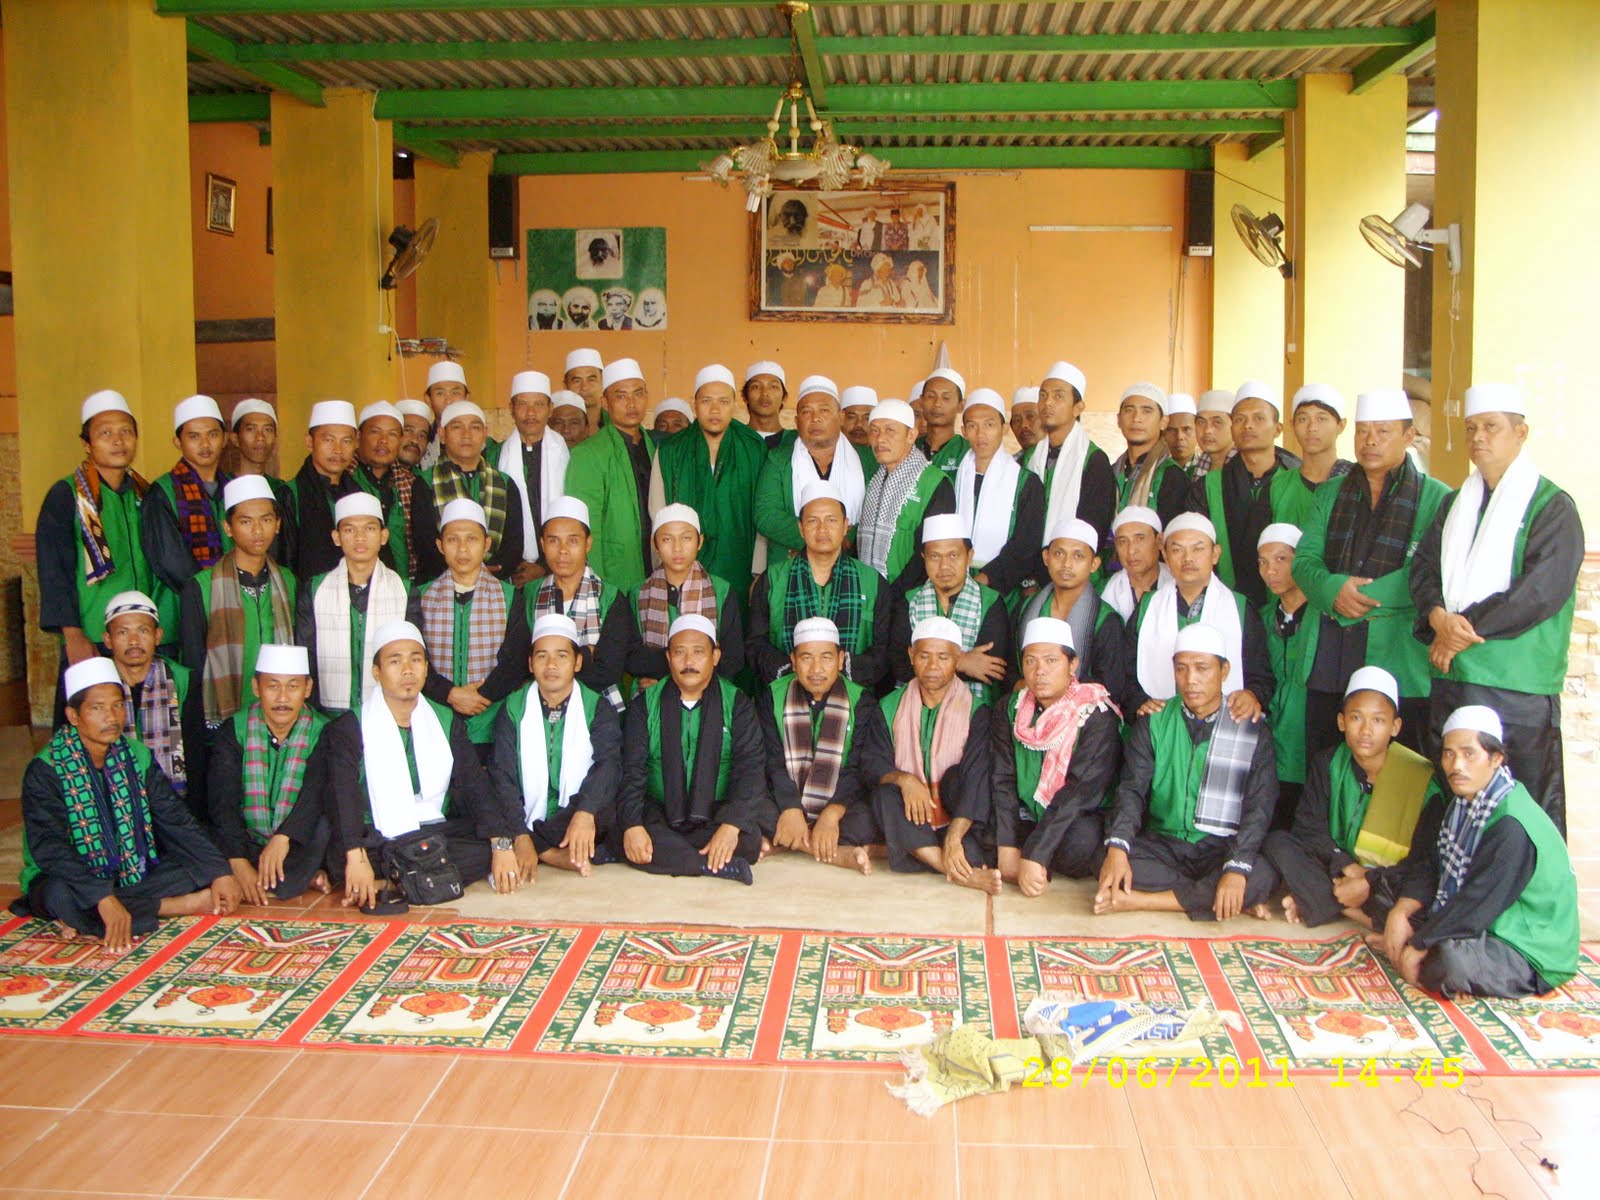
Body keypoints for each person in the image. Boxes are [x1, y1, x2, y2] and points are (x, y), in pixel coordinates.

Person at [1409, 383, 1584, 837]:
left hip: (1517, 688)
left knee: (1521, 809)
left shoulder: (1551, 506)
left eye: (1491, 427)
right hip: (1455, 681)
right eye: (1471, 428)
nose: (1478, 437)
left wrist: (1457, 631)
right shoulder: (1455, 504)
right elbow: (1423, 569)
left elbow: (1539, 593)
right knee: (1456, 802)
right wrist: (1437, 617)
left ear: (1520, 433)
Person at [14, 658, 240, 949]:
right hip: (68, 876)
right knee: (61, 895)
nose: (111, 717)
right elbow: (50, 848)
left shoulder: (136, 755)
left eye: (117, 705)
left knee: (196, 867)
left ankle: (88, 917)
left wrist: (219, 872)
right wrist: (100, 895)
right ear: (73, 715)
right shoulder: (46, 769)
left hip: (129, 870)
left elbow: (174, 818)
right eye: (97, 708)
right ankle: (170, 906)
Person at [1362, 706, 1578, 999]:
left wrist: (1419, 944)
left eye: (1469, 754)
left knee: (1449, 962)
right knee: (1387, 894)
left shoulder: (1511, 824)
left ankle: (1425, 950)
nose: (1457, 765)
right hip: (1481, 916)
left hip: (1523, 942)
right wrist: (1401, 913)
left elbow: (1478, 903)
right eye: (1449, 754)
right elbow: (1431, 865)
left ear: (1495, 758)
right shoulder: (1463, 802)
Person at [1294, 390, 1448, 761]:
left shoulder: (1436, 497)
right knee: (1326, 758)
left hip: (1398, 649)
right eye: (1363, 431)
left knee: (1400, 764)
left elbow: (1431, 571)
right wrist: (1333, 588)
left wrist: (1361, 596)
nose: (1370, 441)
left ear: (1408, 437)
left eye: (1383, 431)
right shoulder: (1331, 492)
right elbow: (1304, 561)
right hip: (1332, 648)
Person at [1095, 625, 1278, 921]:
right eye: (1181, 669)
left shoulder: (1252, 729)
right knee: (1105, 857)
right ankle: (1220, 899)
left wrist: (1235, 868)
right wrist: (1117, 847)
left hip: (1221, 847)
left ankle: (1142, 901)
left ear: (1224, 670)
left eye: (1202, 668)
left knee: (1262, 872)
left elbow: (1259, 806)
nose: (1190, 679)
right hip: (1164, 844)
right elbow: (1131, 790)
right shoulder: (1154, 721)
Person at [340, 622, 522, 911]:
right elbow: (344, 796)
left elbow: (475, 784)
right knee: (336, 850)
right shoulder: (350, 726)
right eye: (395, 661)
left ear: (426, 668)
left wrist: (501, 844)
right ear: (376, 672)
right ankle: (418, 875)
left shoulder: (446, 720)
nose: (407, 670)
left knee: (482, 849)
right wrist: (355, 855)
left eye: (415, 660)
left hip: (433, 829)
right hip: (376, 833)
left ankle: (393, 882)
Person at [1262, 666, 1438, 928]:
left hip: (1390, 882)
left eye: (1378, 720)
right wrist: (1349, 868)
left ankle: (1322, 901)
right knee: (1278, 842)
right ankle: (1349, 909)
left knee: (1420, 898)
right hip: (1340, 868)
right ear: (1341, 722)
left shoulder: (1420, 779)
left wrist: (1369, 881)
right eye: (1356, 718)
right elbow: (1309, 829)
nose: (1366, 730)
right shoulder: (1328, 763)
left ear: (1395, 727)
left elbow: (1423, 861)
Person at [617, 615, 766, 883]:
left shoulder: (737, 703)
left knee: (748, 838)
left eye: (698, 652)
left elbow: (751, 768)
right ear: (668, 657)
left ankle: (672, 857)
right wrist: (633, 825)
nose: (688, 662)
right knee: (623, 829)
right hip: (658, 811)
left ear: (715, 656)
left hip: (714, 812)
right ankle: (711, 865)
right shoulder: (644, 705)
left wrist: (730, 825)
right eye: (679, 653)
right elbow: (632, 770)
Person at [993, 618, 1123, 895]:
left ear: (1073, 664)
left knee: (1082, 842)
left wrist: (1035, 853)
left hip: (1072, 818)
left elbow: (1079, 792)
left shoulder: (1095, 715)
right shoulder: (1010, 707)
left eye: (1051, 661)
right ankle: (1024, 854)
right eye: (1030, 661)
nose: (1039, 671)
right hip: (1027, 815)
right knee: (977, 812)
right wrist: (1006, 845)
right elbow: (1002, 777)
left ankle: (1036, 859)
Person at [206, 644, 344, 904]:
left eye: (293, 686)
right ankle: (274, 875)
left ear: (308, 688)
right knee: (211, 836)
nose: (282, 698)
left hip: (296, 840)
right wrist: (238, 861)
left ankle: (283, 875)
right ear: (256, 688)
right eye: (272, 686)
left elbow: (314, 795)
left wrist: (283, 836)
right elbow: (223, 802)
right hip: (247, 840)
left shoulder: (325, 732)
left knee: (324, 822)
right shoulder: (233, 730)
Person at [488, 613, 621, 879]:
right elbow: (503, 774)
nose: (551, 665)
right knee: (487, 799)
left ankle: (539, 848)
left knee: (611, 803)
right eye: (542, 656)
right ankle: (548, 850)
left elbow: (608, 764)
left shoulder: (597, 706)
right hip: (525, 812)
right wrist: (519, 832)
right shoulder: (513, 707)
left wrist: (584, 812)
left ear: (577, 662)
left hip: (575, 812)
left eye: (561, 656)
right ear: (530, 663)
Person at [758, 617, 892, 873]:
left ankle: (785, 841)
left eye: (826, 658)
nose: (816, 668)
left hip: (840, 803)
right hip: (784, 798)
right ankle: (833, 852)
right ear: (793, 661)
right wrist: (790, 807)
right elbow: (771, 759)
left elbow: (859, 767)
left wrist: (832, 813)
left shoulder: (862, 701)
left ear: (841, 660)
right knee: (754, 808)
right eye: (806, 658)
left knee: (868, 818)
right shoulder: (772, 695)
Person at [875, 617, 998, 893]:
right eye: (924, 656)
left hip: (956, 819)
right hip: (910, 815)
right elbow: (873, 763)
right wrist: (905, 780)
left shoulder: (976, 711)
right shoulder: (888, 706)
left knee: (971, 844)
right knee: (886, 793)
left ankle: (914, 850)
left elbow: (977, 779)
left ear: (958, 659)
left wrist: (953, 838)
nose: (932, 667)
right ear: (911, 656)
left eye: (943, 657)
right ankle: (952, 870)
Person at [37, 391, 155, 676]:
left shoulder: (146, 495)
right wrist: (73, 634)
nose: (118, 440)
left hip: (140, 634)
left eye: (126, 431)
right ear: (86, 444)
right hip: (93, 633)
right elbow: (54, 570)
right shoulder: (67, 495)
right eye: (105, 433)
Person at [407, 499, 529, 751]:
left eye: (471, 539)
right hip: (437, 719)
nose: (462, 548)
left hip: (494, 720)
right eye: (453, 539)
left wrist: (479, 697)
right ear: (440, 545)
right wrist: (451, 694)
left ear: (486, 544)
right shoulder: (422, 596)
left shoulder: (509, 596)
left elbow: (516, 661)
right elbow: (414, 658)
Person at [1126, 513, 1273, 720]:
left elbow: (1260, 675)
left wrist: (1252, 695)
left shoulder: (1239, 608)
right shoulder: (1148, 607)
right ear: (1165, 556)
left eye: (1198, 548)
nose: (1188, 558)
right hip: (1160, 724)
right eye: (1177, 550)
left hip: (1223, 722)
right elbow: (1125, 671)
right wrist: (1139, 702)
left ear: (1215, 554)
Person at [748, 481, 893, 690]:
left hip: (855, 700)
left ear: (845, 526)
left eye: (831, 520)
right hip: (785, 697)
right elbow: (755, 645)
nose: (822, 529)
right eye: (812, 521)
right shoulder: (772, 580)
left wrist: (839, 669)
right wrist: (797, 669)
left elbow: (884, 651)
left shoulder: (872, 583)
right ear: (801, 528)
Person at [179, 476, 297, 732]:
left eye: (266, 520)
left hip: (280, 715)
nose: (258, 530)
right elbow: (195, 666)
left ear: (277, 524)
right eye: (246, 521)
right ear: (228, 527)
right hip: (225, 720)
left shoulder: (288, 581)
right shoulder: (201, 587)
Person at [652, 364, 768, 599]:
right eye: (706, 401)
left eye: (723, 401)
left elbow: (762, 512)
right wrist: (661, 568)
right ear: (694, 403)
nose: (715, 409)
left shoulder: (753, 448)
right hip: (681, 565)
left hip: (739, 564)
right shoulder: (670, 450)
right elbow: (657, 511)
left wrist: (759, 570)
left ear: (734, 404)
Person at [295, 493, 410, 718]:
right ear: (336, 537)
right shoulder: (315, 589)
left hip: (387, 712)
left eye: (369, 528)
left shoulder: (405, 591)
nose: (360, 537)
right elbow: (306, 655)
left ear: (384, 536)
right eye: (349, 529)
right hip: (327, 713)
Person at [1188, 381, 1299, 610]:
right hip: (1227, 606)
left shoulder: (1297, 483)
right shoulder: (1209, 486)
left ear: (1278, 429)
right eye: (1239, 419)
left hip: (1290, 606)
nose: (1248, 426)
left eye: (1258, 418)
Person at [100, 591, 203, 822]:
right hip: (113, 809)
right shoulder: (95, 685)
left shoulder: (182, 679)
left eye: (143, 631)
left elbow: (196, 754)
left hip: (174, 807)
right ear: (107, 640)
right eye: (123, 632)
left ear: (158, 636)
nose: (134, 641)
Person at [889, 514, 1010, 702]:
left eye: (953, 556)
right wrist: (962, 662)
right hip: (915, 706)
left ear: (969, 556)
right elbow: (900, 665)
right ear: (924, 558)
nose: (944, 566)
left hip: (974, 708)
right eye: (934, 556)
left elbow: (990, 669)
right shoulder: (909, 602)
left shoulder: (991, 602)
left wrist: (927, 664)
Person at [525, 497, 629, 711]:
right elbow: (521, 662)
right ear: (542, 544)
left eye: (572, 541)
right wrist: (586, 655)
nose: (562, 550)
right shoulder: (529, 594)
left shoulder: (610, 597)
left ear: (588, 543)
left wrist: (553, 672)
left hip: (598, 709)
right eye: (553, 541)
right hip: (539, 708)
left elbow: (608, 670)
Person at [1016, 519, 1131, 712]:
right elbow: (1011, 669)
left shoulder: (1105, 620)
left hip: (1082, 718)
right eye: (1059, 553)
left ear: (1094, 564)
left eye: (1078, 556)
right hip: (1027, 710)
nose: (1066, 564)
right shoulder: (1027, 607)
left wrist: (1056, 694)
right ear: (1046, 557)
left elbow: (1110, 687)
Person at [142, 395, 234, 637]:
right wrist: (209, 597)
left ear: (225, 439)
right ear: (178, 442)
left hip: (233, 608)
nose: (205, 444)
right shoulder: (163, 491)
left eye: (212, 434)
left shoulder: (235, 488)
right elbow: (170, 560)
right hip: (180, 609)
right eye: (194, 436)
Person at [752, 374, 868, 560]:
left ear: (841, 417)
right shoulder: (779, 459)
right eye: (807, 412)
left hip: (852, 563)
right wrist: (821, 541)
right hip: (790, 563)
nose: (815, 419)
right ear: (796, 421)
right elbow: (766, 515)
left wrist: (846, 539)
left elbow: (875, 512)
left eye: (824, 411)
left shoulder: (867, 460)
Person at [625, 506, 743, 687]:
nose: (677, 548)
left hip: (711, 694)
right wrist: (699, 655)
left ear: (699, 542)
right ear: (655, 544)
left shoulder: (721, 591)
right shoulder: (638, 593)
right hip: (651, 694)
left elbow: (732, 659)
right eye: (667, 539)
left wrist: (670, 679)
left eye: (686, 538)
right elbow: (632, 657)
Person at [565, 357, 656, 590]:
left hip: (655, 565)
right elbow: (585, 525)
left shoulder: (655, 447)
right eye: (621, 396)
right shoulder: (588, 453)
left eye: (638, 394)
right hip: (614, 572)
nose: (632, 403)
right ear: (605, 402)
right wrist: (597, 584)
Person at [412, 399, 525, 581]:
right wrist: (464, 573)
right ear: (442, 434)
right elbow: (424, 543)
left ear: (485, 434)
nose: (467, 435)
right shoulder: (424, 483)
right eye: (457, 427)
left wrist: (490, 572)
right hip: (440, 584)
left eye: (475, 427)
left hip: (495, 581)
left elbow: (514, 543)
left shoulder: (504, 483)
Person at [953, 387, 1045, 598]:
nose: (980, 434)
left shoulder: (1026, 483)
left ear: (1003, 429)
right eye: (972, 426)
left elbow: (1025, 545)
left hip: (1003, 589)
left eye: (989, 425)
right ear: (964, 431)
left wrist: (985, 579)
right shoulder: (953, 478)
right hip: (954, 582)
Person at [858, 399, 956, 595]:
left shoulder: (935, 483)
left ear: (911, 435)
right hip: (871, 594)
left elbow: (932, 551)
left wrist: (894, 597)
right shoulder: (874, 483)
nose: (880, 439)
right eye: (874, 430)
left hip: (911, 598)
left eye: (890, 430)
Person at [1026, 362, 1117, 556]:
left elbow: (1094, 529)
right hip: (1031, 564)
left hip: (1073, 564)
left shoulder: (1093, 461)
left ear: (1078, 408)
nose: (1047, 403)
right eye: (1043, 396)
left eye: (1058, 396)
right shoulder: (1030, 457)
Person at [1257, 524, 1314, 823]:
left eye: (1281, 559)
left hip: (1309, 745)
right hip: (1270, 749)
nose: (1271, 571)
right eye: (1263, 562)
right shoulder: (1261, 619)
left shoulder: (1323, 618)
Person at [498, 371, 570, 588]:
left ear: (550, 408)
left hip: (561, 564)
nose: (530, 413)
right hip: (515, 571)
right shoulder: (495, 456)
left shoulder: (568, 455)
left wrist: (544, 567)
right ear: (511, 409)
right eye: (522, 404)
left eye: (538, 404)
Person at [284, 400, 359, 582]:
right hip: (308, 595)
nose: (338, 450)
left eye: (346, 441)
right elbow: (285, 563)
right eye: (328, 440)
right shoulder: (291, 494)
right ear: (309, 442)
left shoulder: (360, 494)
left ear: (356, 444)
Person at [350, 401, 423, 585]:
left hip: (402, 586)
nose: (383, 440)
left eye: (392, 434)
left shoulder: (411, 484)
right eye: (375, 432)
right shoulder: (345, 480)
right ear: (359, 436)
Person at [1111, 383, 1188, 528]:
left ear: (1163, 422)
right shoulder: (1110, 472)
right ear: (1119, 420)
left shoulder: (1172, 476)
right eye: (1129, 410)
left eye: (1146, 411)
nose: (1136, 418)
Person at [1278, 384, 1353, 528]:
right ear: (1292, 425)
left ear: (1341, 425)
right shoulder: (1279, 485)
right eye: (1303, 419)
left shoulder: (1355, 481)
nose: (1311, 428)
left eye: (1321, 419)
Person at [1102, 506, 1171, 623]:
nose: (1131, 550)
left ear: (1159, 541)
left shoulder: (1178, 585)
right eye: (1123, 541)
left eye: (1140, 538)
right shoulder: (1103, 590)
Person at [915, 367, 968, 477]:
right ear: (921, 401)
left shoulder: (967, 452)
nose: (937, 404)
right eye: (931, 396)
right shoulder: (909, 449)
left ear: (961, 405)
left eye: (946, 398)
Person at [418, 361, 471, 471]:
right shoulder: (421, 442)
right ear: (428, 399)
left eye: (455, 393)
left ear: (467, 398)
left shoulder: (482, 443)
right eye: (440, 393)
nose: (448, 401)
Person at [742, 360, 789, 449]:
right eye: (756, 386)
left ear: (783, 397)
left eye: (773, 387)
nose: (765, 393)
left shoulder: (794, 442)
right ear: (745, 396)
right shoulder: (733, 438)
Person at [1191, 388, 1236, 478]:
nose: (1207, 430)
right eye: (1201, 422)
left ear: (1234, 426)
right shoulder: (1201, 463)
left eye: (1217, 422)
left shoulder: (1246, 468)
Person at [562, 348, 606, 435]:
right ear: (566, 386)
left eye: (591, 379)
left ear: (603, 382)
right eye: (577, 381)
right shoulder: (555, 428)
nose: (584, 387)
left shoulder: (617, 424)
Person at [1162, 392, 1199, 476]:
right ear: (1162, 434)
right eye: (1172, 430)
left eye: (1186, 429)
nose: (1179, 437)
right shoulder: (1153, 471)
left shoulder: (1208, 469)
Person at [395, 399, 435, 470]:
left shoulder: (429, 476)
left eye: (422, 436)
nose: (415, 440)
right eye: (408, 430)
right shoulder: (376, 473)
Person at [1009, 386, 1042, 457]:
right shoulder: (1011, 463)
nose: (1023, 425)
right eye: (1017, 420)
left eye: (1030, 416)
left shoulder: (1065, 460)